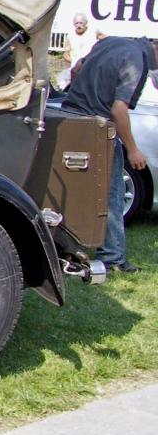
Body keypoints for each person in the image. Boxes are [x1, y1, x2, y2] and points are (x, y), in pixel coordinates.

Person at [63, 35, 158, 273]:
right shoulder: (137, 60)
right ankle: (113, 257)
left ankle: (66, 246)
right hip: (98, 126)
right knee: (113, 192)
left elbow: (77, 69)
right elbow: (119, 109)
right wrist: (133, 150)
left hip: (71, 118)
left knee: (73, 188)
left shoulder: (110, 41)